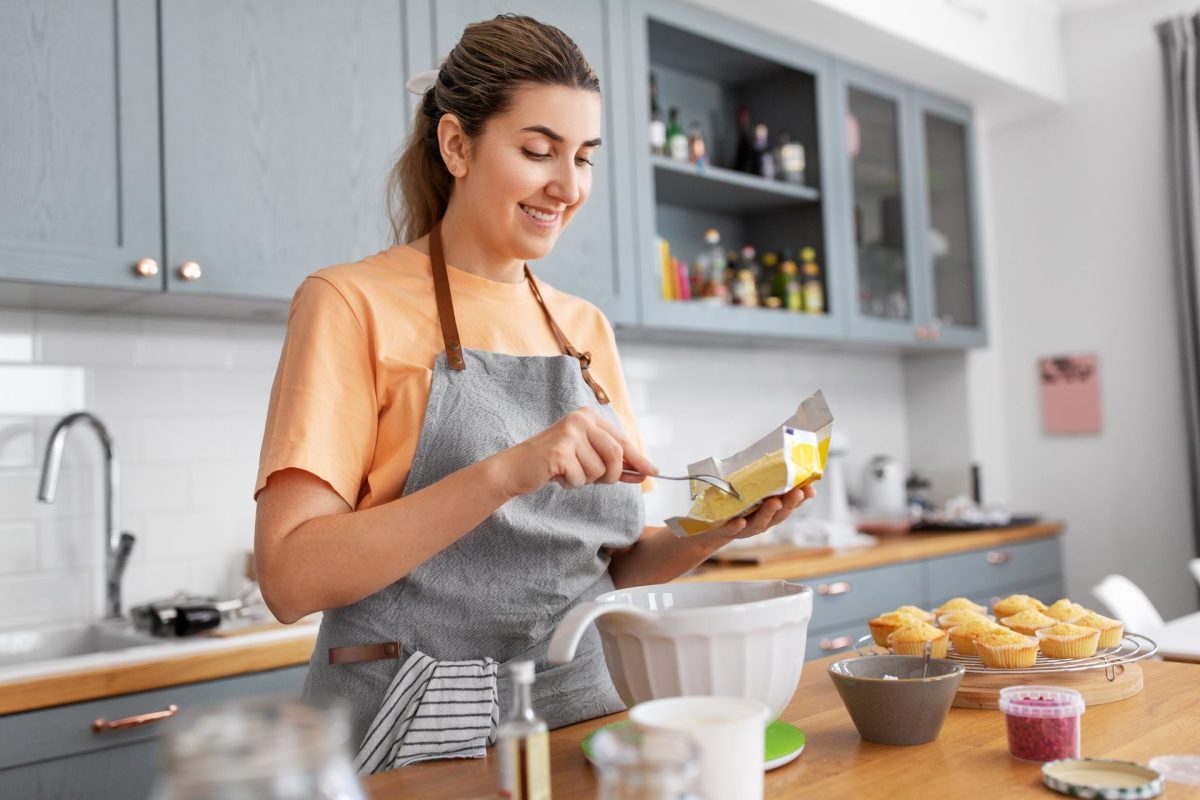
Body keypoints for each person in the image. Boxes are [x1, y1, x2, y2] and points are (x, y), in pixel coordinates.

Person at [253, 14, 814, 773]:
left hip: (587, 706)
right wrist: (509, 470)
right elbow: (290, 577)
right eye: (538, 151)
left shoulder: (584, 330)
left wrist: (715, 530)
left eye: (583, 157)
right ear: (456, 145)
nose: (568, 185)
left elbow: (599, 569)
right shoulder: (349, 303)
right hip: (415, 716)